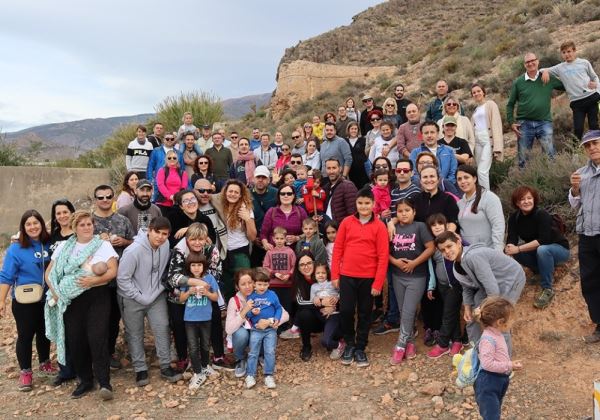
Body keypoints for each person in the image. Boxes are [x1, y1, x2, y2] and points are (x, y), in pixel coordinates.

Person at [45, 210, 118, 400]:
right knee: (76, 339)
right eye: (82, 224)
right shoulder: (64, 247)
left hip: (97, 296)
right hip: (71, 299)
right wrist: (57, 293)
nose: (87, 227)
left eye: (89, 224)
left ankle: (104, 382)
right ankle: (85, 380)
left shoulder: (102, 245)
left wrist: (92, 282)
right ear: (75, 227)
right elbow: (49, 274)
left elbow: (112, 271)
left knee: (97, 337)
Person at [117, 217, 183, 387]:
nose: (160, 237)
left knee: (162, 328)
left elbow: (164, 270)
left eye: (165, 234)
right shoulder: (133, 251)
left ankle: (166, 366)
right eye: (157, 232)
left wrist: (158, 289)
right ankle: (140, 369)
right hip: (132, 298)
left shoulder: (166, 245)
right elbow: (123, 279)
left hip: (156, 296)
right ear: (149, 231)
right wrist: (140, 296)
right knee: (135, 333)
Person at [434, 231, 525, 353]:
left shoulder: (473, 257)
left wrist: (484, 308)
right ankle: (478, 354)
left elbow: (493, 290)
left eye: (449, 246)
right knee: (472, 316)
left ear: (458, 243)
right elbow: (467, 287)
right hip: (490, 284)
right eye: (442, 250)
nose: (447, 252)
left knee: (499, 318)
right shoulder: (457, 265)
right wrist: (467, 308)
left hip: (511, 279)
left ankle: (503, 363)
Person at [332, 187, 389, 367]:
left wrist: (378, 283)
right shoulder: (346, 222)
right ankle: (349, 343)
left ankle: (360, 347)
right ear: (356, 204)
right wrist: (335, 274)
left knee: (365, 313)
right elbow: (338, 250)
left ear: (373, 204)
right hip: (347, 275)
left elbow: (383, 256)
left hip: (369, 278)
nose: (363, 206)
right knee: (347, 311)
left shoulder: (379, 226)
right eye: (360, 203)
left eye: (367, 203)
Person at [163, 223, 229, 373]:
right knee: (178, 321)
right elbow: (172, 277)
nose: (197, 243)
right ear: (187, 239)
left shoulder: (212, 250)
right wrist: (192, 283)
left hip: (206, 290)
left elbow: (216, 273)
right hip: (181, 292)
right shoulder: (179, 251)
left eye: (201, 239)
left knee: (216, 316)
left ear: (206, 238)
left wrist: (202, 284)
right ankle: (182, 357)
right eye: (193, 239)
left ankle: (218, 356)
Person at [0, 210, 55, 392]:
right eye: (28, 224)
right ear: (23, 228)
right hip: (25, 301)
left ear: (42, 224)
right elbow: (6, 276)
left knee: (44, 331)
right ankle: (25, 372)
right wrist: (1, 301)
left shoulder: (49, 244)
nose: (33, 227)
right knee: (25, 335)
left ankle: (45, 362)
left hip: (47, 298)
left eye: (36, 222)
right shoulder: (16, 248)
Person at [91, 184, 134, 369]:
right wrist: (96, 242)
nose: (105, 200)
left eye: (108, 196)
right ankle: (95, 356)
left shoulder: (122, 220)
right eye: (100, 197)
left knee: (114, 319)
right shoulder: (88, 222)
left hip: (119, 280)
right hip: (95, 281)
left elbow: (134, 243)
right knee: (96, 320)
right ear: (95, 200)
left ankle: (109, 353)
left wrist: (123, 241)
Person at [506, 186, 570, 309]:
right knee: (515, 250)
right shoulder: (515, 218)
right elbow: (512, 237)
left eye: (529, 198)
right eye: (522, 199)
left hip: (559, 250)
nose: (526, 201)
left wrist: (518, 248)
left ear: (534, 199)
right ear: (517, 203)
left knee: (542, 249)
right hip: (538, 251)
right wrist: (509, 247)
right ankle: (539, 271)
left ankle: (547, 288)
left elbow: (543, 240)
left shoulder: (541, 214)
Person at [388, 199, 435, 364]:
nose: (403, 213)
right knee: (403, 312)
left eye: (407, 210)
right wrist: (395, 262)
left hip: (417, 277)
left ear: (414, 212)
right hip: (397, 275)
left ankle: (400, 345)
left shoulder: (420, 227)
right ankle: (411, 343)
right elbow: (383, 250)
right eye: (400, 211)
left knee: (408, 311)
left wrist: (415, 263)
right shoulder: (392, 228)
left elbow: (431, 247)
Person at [225, 269, 289, 378]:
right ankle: (240, 359)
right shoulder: (234, 301)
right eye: (243, 284)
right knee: (241, 334)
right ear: (237, 286)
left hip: (261, 331)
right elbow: (229, 329)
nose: (247, 286)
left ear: (255, 282)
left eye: (250, 283)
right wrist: (244, 311)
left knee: (266, 332)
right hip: (246, 333)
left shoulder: (264, 294)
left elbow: (285, 315)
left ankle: (262, 355)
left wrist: (269, 321)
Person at [507, 52, 565, 168]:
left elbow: (566, 86)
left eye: (533, 60)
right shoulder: (518, 82)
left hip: (544, 122)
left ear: (538, 61)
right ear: (524, 65)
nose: (530, 63)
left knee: (551, 156)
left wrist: (549, 71)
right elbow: (510, 104)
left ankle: (552, 183)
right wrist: (511, 122)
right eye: (527, 62)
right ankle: (525, 184)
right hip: (524, 124)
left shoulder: (547, 77)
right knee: (523, 159)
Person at [569, 130, 600, 342]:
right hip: (586, 236)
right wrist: (574, 189)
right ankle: (599, 325)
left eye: (595, 143)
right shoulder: (581, 173)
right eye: (588, 146)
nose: (592, 148)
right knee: (590, 282)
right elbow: (574, 204)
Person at [473, 297, 523, 420]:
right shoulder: (488, 339)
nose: (513, 322)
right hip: (488, 382)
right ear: (500, 322)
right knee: (491, 416)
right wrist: (509, 365)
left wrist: (509, 365)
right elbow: (487, 364)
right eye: (511, 320)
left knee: (495, 411)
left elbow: (498, 357)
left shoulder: (496, 333)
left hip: (498, 379)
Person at [425, 214, 466, 358]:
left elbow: (465, 248)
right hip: (442, 285)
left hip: (455, 285)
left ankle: (442, 344)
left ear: (446, 224)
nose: (437, 226)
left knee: (448, 314)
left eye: (440, 223)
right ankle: (456, 341)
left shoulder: (453, 239)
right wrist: (431, 285)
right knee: (451, 312)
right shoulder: (433, 245)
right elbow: (431, 267)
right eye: (433, 225)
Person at [542, 40, 600, 141]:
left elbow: (595, 77)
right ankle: (576, 154)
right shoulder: (560, 68)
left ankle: (597, 150)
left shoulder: (584, 63)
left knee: (594, 126)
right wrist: (546, 71)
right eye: (564, 52)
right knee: (578, 129)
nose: (566, 54)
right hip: (577, 103)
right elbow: (541, 70)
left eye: (569, 51)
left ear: (574, 51)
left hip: (591, 98)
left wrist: (597, 88)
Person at [179, 253, 219, 391]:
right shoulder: (187, 280)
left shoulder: (209, 278)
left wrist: (207, 293)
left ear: (204, 266)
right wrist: (189, 292)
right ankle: (197, 372)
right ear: (189, 267)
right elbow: (180, 299)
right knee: (193, 346)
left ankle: (205, 365)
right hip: (190, 319)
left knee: (205, 344)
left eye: (199, 265)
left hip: (206, 318)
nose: (196, 268)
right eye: (193, 265)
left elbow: (215, 297)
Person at [293, 252, 343, 361]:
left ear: (314, 263)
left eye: (309, 263)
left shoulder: (328, 280)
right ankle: (306, 346)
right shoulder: (298, 281)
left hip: (332, 315)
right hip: (315, 318)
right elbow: (300, 303)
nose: (306, 267)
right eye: (302, 265)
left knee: (335, 326)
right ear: (298, 267)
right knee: (303, 313)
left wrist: (333, 306)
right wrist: (322, 302)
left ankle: (337, 339)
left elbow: (341, 294)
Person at [215, 180, 257, 300]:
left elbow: (253, 236)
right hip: (224, 253)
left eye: (236, 192)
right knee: (227, 288)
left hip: (240, 252)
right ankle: (231, 315)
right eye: (230, 191)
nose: (232, 194)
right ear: (225, 193)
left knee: (245, 285)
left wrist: (247, 219)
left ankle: (248, 314)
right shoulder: (220, 206)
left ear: (240, 195)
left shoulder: (245, 209)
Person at [243, 270, 281, 389]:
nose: (262, 287)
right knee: (253, 352)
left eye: (265, 284)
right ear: (254, 284)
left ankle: (268, 375)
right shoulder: (251, 296)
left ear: (269, 284)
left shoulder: (272, 295)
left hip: (270, 329)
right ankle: (250, 375)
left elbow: (278, 308)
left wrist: (276, 319)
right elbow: (247, 314)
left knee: (270, 351)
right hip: (256, 329)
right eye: (259, 284)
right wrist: (252, 312)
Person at [456, 165, 505, 251]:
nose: (463, 181)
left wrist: (498, 252)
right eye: (459, 179)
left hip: (488, 252)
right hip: (468, 254)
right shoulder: (459, 203)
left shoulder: (489, 198)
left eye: (466, 177)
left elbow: (498, 226)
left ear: (474, 179)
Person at [262, 227, 296, 332]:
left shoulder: (290, 252)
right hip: (274, 285)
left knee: (287, 305)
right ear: (273, 239)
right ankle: (276, 326)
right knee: (276, 305)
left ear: (285, 239)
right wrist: (275, 273)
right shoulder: (269, 252)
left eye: (282, 238)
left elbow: (294, 266)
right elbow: (265, 266)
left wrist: (289, 275)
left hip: (287, 285)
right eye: (277, 238)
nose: (279, 241)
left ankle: (286, 327)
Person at [471, 83, 504, 190]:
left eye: (478, 91)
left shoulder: (490, 104)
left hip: (487, 139)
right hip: (477, 140)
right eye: (474, 92)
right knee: (480, 170)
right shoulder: (475, 110)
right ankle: (481, 193)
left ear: (483, 92)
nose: (476, 94)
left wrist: (497, 146)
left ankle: (485, 197)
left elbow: (496, 124)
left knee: (482, 171)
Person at [260, 184, 308, 252]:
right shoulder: (271, 211)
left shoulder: (300, 211)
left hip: (296, 253)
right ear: (279, 196)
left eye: (289, 193)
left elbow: (308, 233)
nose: (286, 196)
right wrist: (265, 244)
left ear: (293, 196)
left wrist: (297, 238)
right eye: (282, 194)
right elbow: (263, 234)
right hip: (275, 253)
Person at [250, 166, 278, 267]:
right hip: (254, 239)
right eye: (258, 177)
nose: (261, 180)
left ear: (269, 180)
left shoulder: (275, 193)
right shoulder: (247, 194)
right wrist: (253, 238)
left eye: (264, 177)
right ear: (253, 179)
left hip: (271, 239)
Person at [196, 179, 228, 259]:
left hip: (218, 250)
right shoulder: (191, 206)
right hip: (199, 253)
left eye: (209, 191)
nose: (205, 194)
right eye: (202, 190)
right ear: (194, 191)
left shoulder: (216, 201)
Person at [322, 158, 358, 224]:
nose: (331, 171)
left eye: (334, 168)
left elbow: (353, 213)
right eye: (328, 168)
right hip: (328, 230)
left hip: (342, 229)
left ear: (340, 169)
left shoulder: (348, 186)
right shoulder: (325, 188)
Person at [146, 133, 179, 202]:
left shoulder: (178, 153)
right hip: (157, 183)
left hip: (173, 183)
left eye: (172, 139)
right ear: (163, 140)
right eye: (167, 139)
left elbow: (181, 168)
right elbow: (150, 166)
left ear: (174, 140)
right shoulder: (156, 151)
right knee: (155, 202)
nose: (169, 140)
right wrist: (150, 179)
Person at [156, 150, 188, 217]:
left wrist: (177, 198)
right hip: (163, 204)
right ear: (166, 159)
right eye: (169, 158)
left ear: (177, 159)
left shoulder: (183, 173)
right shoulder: (162, 171)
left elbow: (183, 188)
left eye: (174, 158)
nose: (172, 159)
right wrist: (170, 196)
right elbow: (160, 185)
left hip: (177, 204)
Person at [345, 121, 370, 189]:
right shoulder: (344, 141)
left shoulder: (363, 140)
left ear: (358, 130)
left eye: (355, 129)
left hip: (362, 170)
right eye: (352, 129)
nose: (354, 131)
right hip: (350, 170)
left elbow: (367, 153)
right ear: (348, 130)